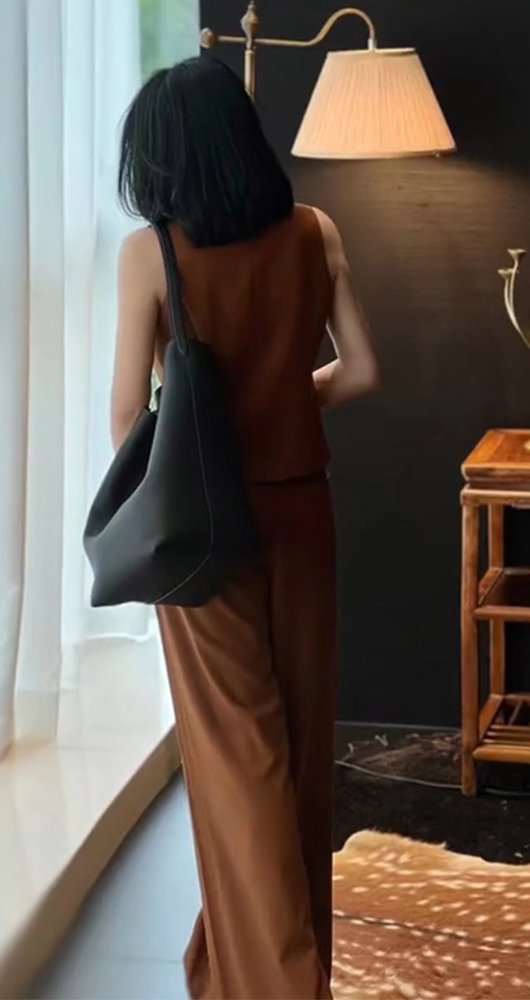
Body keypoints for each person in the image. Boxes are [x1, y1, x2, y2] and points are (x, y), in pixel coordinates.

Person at [111, 56, 379, 1000]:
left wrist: (209, 433)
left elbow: (126, 419)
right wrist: (283, 404)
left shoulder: (151, 253)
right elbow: (362, 371)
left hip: (201, 533)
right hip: (302, 512)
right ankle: (237, 966)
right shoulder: (316, 230)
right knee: (298, 751)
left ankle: (281, 986)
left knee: (238, 761)